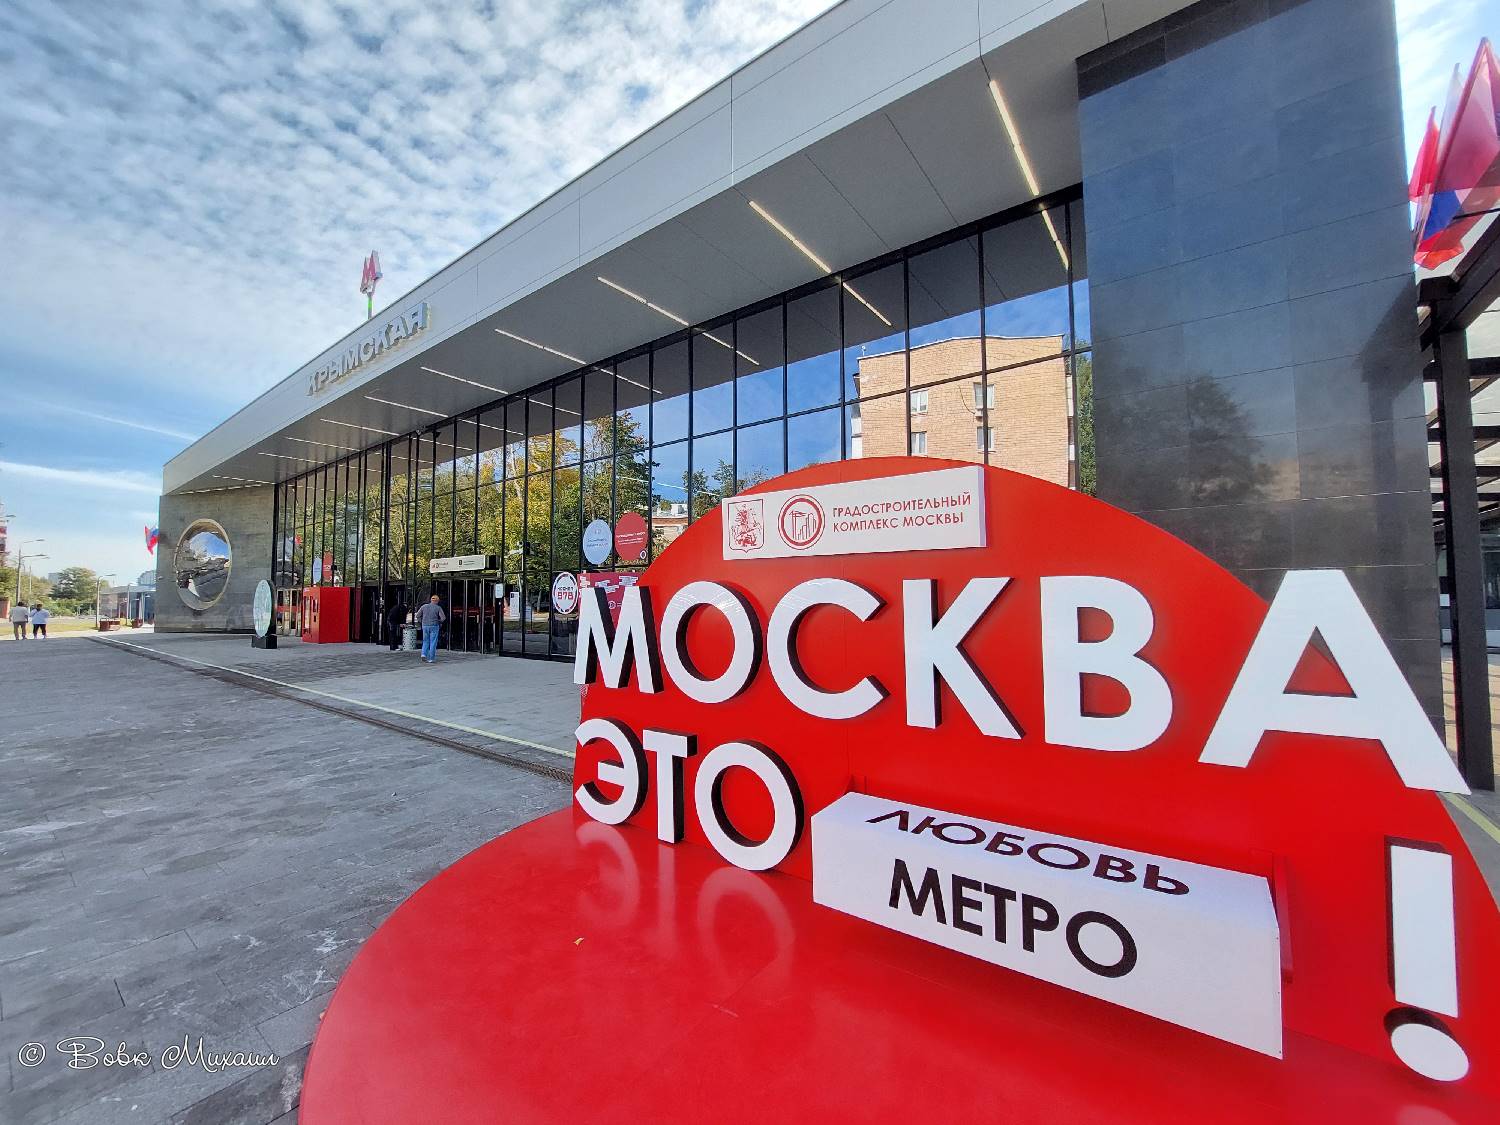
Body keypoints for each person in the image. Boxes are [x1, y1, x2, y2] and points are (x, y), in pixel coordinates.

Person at [416, 593, 446, 663]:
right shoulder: (438, 608)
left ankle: (423, 654)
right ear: (437, 601)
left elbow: (417, 615)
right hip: (434, 626)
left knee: (425, 641)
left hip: (425, 626)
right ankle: (431, 658)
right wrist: (439, 621)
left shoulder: (424, 606)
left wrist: (422, 621)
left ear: (431, 600)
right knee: (433, 642)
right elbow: (443, 618)